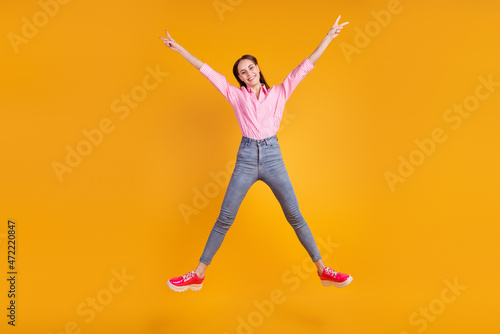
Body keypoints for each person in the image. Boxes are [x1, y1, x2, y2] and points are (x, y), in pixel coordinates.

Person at [160, 15, 352, 292]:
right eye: (242, 72)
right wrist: (179, 49)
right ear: (239, 78)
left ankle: (323, 270)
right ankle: (198, 274)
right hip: (247, 157)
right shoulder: (235, 95)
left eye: (251, 68)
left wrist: (329, 37)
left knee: (295, 215)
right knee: (225, 217)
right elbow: (207, 70)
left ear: (258, 68)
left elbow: (305, 67)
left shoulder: (279, 92)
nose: (248, 74)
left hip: (273, 157)